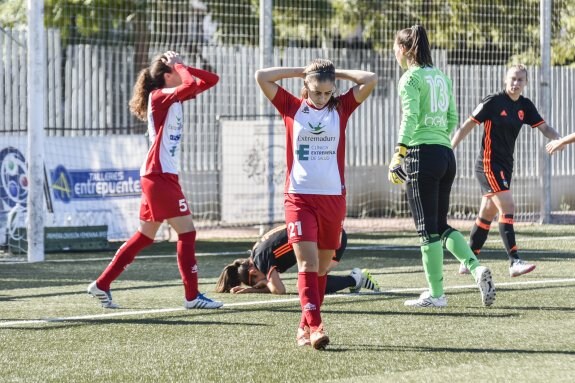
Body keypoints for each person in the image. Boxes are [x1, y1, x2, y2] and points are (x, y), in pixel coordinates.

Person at [255, 59, 377, 349]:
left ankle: (303, 326)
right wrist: (301, 71)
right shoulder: (291, 106)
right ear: (305, 88)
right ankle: (317, 326)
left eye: (327, 92)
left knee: (322, 269)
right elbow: (262, 76)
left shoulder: (341, 108)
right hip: (299, 197)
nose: (322, 97)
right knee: (307, 263)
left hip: (333, 199)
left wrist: (334, 74)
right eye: (316, 91)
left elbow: (370, 79)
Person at [87, 51, 222, 310]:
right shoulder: (159, 97)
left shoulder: (174, 95)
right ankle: (192, 297)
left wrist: (183, 66)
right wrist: (180, 65)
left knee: (145, 236)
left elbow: (212, 80)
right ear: (167, 75)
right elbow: (192, 83)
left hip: (159, 175)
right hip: (158, 175)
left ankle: (101, 285)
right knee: (187, 232)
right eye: (176, 70)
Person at [388, 25, 495, 308]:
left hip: (422, 155)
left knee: (426, 230)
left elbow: (410, 118)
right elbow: (451, 118)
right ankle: (475, 268)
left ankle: (436, 295)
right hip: (446, 155)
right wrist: (438, 141)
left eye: (395, 48)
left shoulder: (410, 78)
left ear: (403, 50)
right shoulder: (442, 77)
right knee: (440, 224)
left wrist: (399, 154)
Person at [452, 64, 562, 277]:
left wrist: (560, 139)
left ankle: (468, 258)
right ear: (505, 80)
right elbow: (467, 125)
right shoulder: (493, 102)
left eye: (520, 80)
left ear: (526, 83)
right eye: (512, 78)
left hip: (505, 166)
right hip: (488, 164)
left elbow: (545, 128)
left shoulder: (525, 106)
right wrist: (449, 148)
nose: (515, 83)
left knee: (488, 211)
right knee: (508, 205)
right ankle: (514, 261)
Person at [215, 225, 380, 295]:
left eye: (257, 280)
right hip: (326, 234)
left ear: (252, 271)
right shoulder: (258, 250)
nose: (262, 281)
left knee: (308, 284)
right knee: (308, 282)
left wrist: (253, 290)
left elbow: (279, 290)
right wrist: (264, 284)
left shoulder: (260, 259)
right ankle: (355, 279)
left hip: (329, 238)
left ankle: (356, 279)